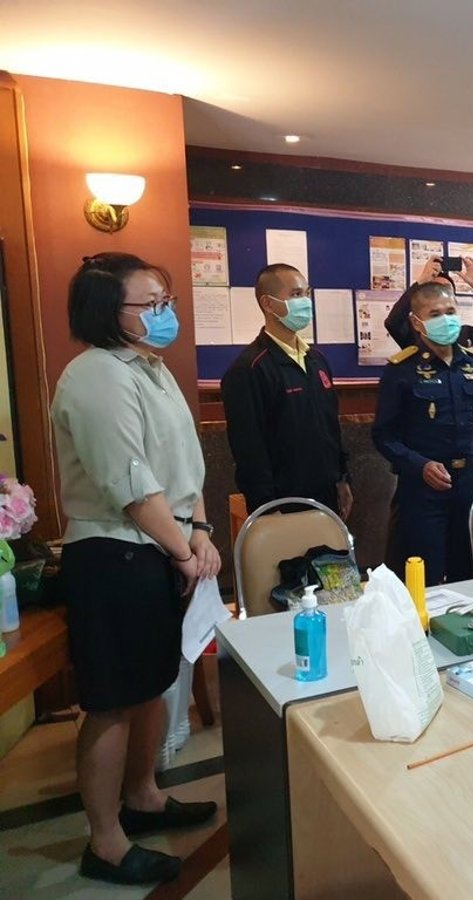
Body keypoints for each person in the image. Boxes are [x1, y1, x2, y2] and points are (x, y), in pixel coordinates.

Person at [51, 253, 220, 885]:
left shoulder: (151, 367)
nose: (164, 313)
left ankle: (144, 796)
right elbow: (131, 486)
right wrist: (184, 550)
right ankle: (105, 842)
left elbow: (186, 468)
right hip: (114, 553)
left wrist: (199, 532)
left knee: (152, 684)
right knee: (113, 702)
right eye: (149, 304)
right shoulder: (95, 375)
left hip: (161, 546)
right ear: (107, 310)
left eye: (165, 301)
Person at [373, 281, 473, 584]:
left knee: (469, 575)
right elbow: (384, 436)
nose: (446, 319)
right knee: (424, 579)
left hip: (472, 482)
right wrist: (420, 465)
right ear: (417, 323)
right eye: (435, 314)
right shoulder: (401, 370)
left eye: (451, 311)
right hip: (424, 489)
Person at [221, 264, 352, 519]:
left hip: (327, 496)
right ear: (268, 304)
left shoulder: (316, 360)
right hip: (283, 504)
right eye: (295, 294)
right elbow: (248, 449)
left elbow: (330, 427)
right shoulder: (249, 369)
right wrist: (267, 508)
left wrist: (343, 478)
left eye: (306, 293)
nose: (305, 302)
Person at [384, 256, 473, 353]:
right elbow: (393, 323)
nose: (441, 294)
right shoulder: (414, 334)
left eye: (446, 289)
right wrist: (421, 282)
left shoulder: (468, 334)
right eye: (435, 289)